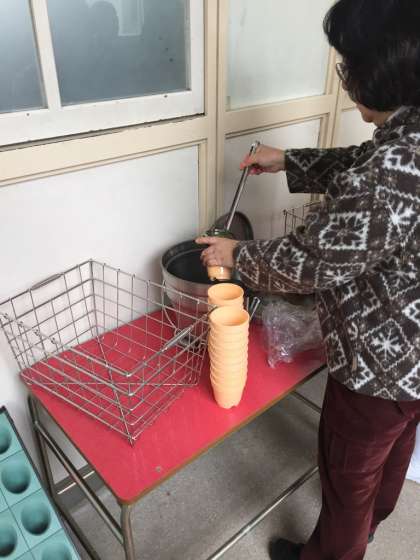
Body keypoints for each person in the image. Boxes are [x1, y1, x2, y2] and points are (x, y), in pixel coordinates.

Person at [196, 1, 420, 558]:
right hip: (413, 368)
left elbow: (311, 260)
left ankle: (335, 550)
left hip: (378, 367)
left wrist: (237, 256)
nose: (344, 78)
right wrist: (289, 161)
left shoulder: (393, 173)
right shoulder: (408, 136)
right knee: (395, 448)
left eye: (348, 65)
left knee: (348, 477)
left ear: (381, 71)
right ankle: (374, 521)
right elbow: (364, 163)